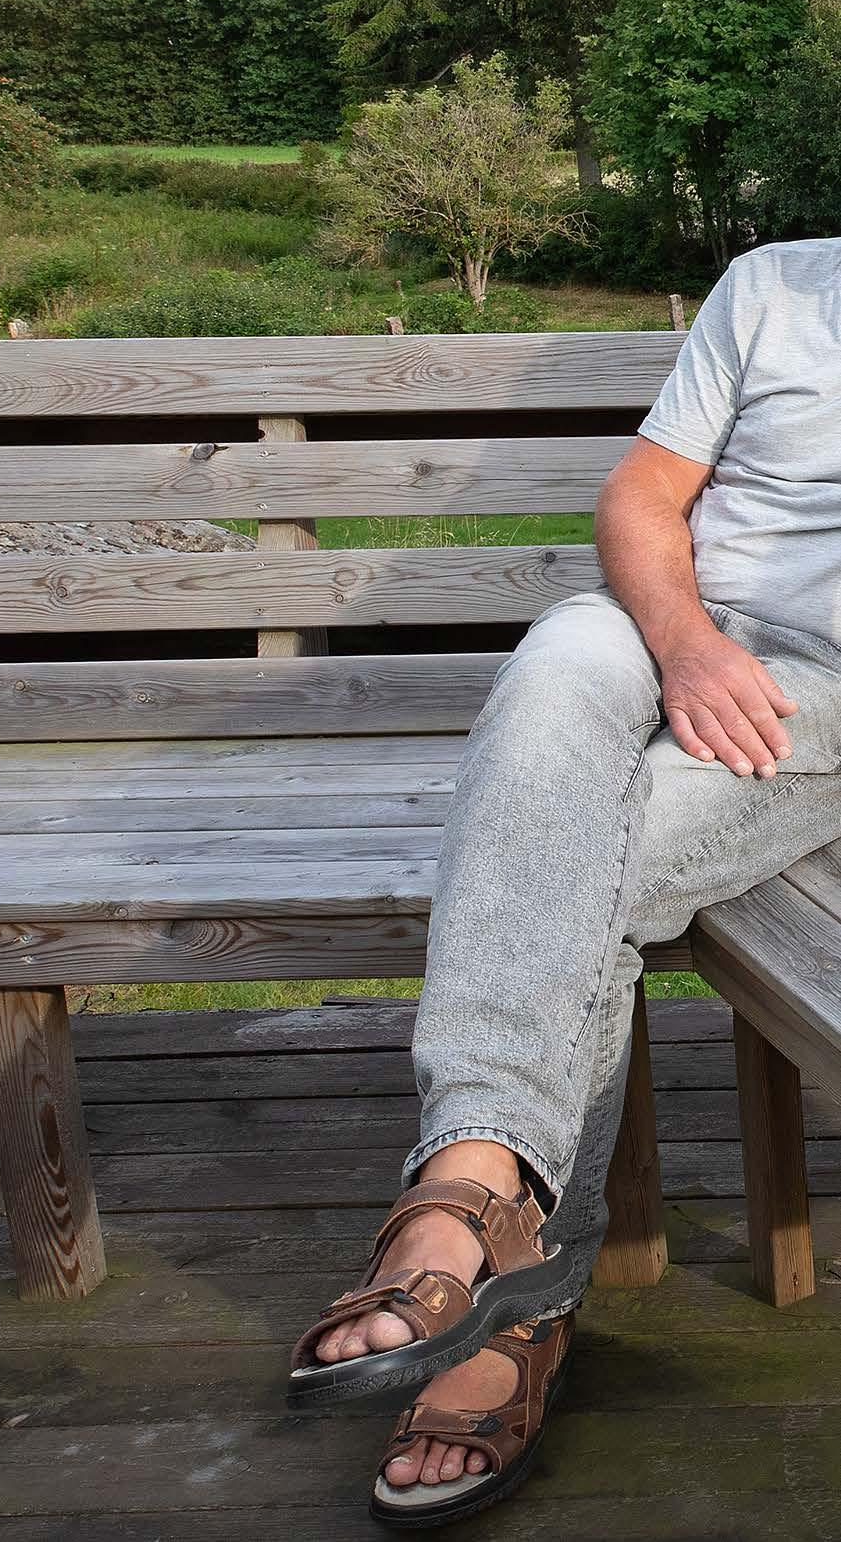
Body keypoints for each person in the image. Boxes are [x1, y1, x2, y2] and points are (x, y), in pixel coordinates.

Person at [288, 238, 841, 1527]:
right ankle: (495, 1215)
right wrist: (685, 640)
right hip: (661, 631)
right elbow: (644, 499)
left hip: (815, 697)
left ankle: (482, 1232)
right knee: (555, 667)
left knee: (561, 855)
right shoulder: (772, 285)